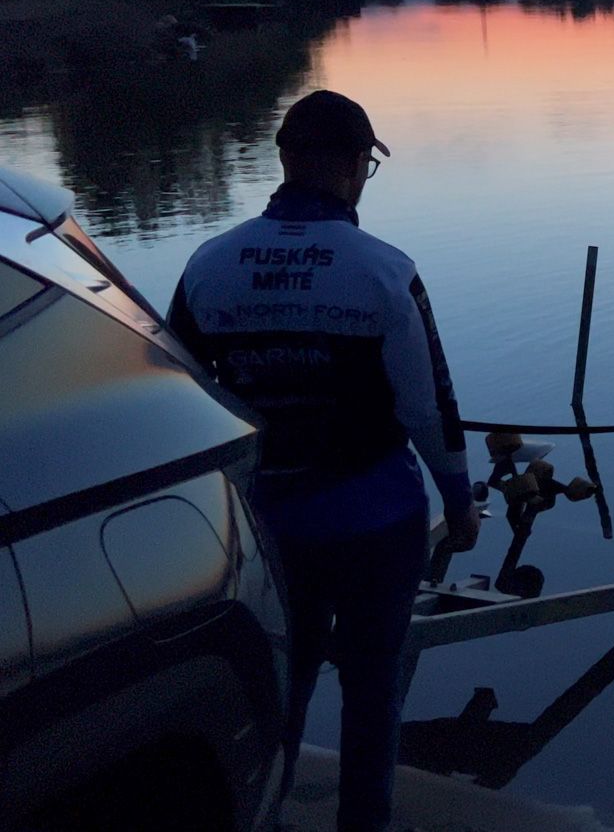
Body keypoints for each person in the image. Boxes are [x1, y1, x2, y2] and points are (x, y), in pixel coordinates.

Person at [167, 89, 480, 832]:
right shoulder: (383, 271)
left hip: (264, 527)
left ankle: (266, 812)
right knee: (372, 694)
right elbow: (427, 406)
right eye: (367, 164)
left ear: (285, 160)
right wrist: (460, 502)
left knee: (281, 683)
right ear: (348, 168)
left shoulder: (211, 265)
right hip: (377, 521)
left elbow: (180, 400)